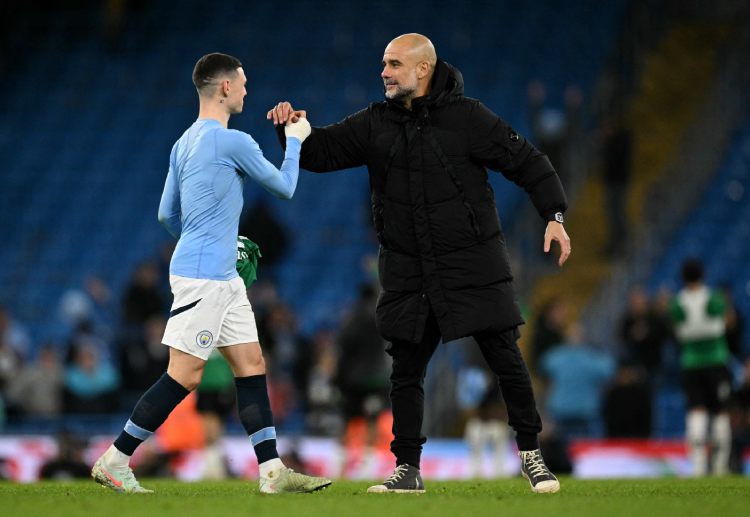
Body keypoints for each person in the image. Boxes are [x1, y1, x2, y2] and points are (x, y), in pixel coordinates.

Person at [268, 33, 571, 494]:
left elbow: (528, 162)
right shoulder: (374, 122)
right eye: (383, 65)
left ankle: (533, 456)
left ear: (423, 69)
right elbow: (320, 152)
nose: (384, 72)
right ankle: (407, 470)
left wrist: (554, 216)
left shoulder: (470, 118)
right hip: (409, 268)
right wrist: (289, 129)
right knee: (406, 370)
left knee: (505, 358)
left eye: (393, 64)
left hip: (472, 262)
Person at [91, 52, 330, 494]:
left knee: (251, 363)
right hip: (206, 277)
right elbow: (286, 188)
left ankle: (273, 471)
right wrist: (296, 137)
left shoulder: (183, 143)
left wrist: (212, 238)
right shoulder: (232, 141)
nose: (245, 90)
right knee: (185, 373)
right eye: (242, 83)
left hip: (216, 273)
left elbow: (166, 214)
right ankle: (115, 458)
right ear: (224, 87)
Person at [670, 259, 733, 476]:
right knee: (720, 411)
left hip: (690, 362)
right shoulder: (713, 298)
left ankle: (697, 466)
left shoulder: (678, 302)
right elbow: (726, 322)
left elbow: (677, 328)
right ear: (703, 275)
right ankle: (719, 466)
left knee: (696, 410)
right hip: (715, 360)